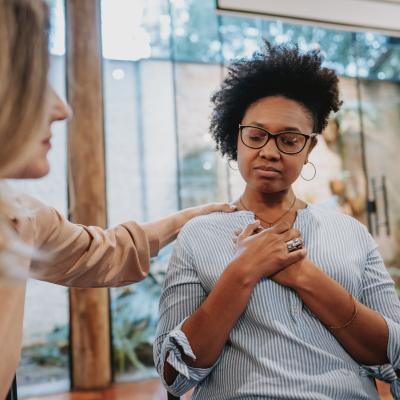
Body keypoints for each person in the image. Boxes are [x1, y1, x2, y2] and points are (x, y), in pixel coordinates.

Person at [0, 0, 235, 397]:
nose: (63, 109)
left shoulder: (20, 218)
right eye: (36, 81)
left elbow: (105, 251)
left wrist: (192, 218)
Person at [154, 42, 400, 399]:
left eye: (288, 140)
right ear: (235, 138)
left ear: (309, 148)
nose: (269, 151)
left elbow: (392, 356)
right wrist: (242, 272)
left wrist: (304, 276)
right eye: (256, 136)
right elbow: (174, 374)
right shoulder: (199, 235)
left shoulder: (350, 233)